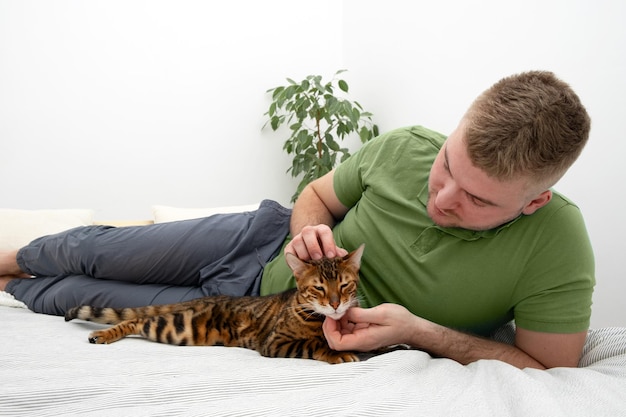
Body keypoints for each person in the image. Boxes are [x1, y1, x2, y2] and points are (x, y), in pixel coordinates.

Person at [0, 70, 593, 370]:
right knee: (90, 249)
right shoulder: (405, 145)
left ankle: (14, 290)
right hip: (253, 242)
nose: (441, 199)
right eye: (446, 167)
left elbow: (545, 368)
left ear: (532, 202)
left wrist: (418, 332)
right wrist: (307, 230)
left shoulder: (558, 245)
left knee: (77, 298)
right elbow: (315, 195)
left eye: (477, 201)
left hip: (258, 321)